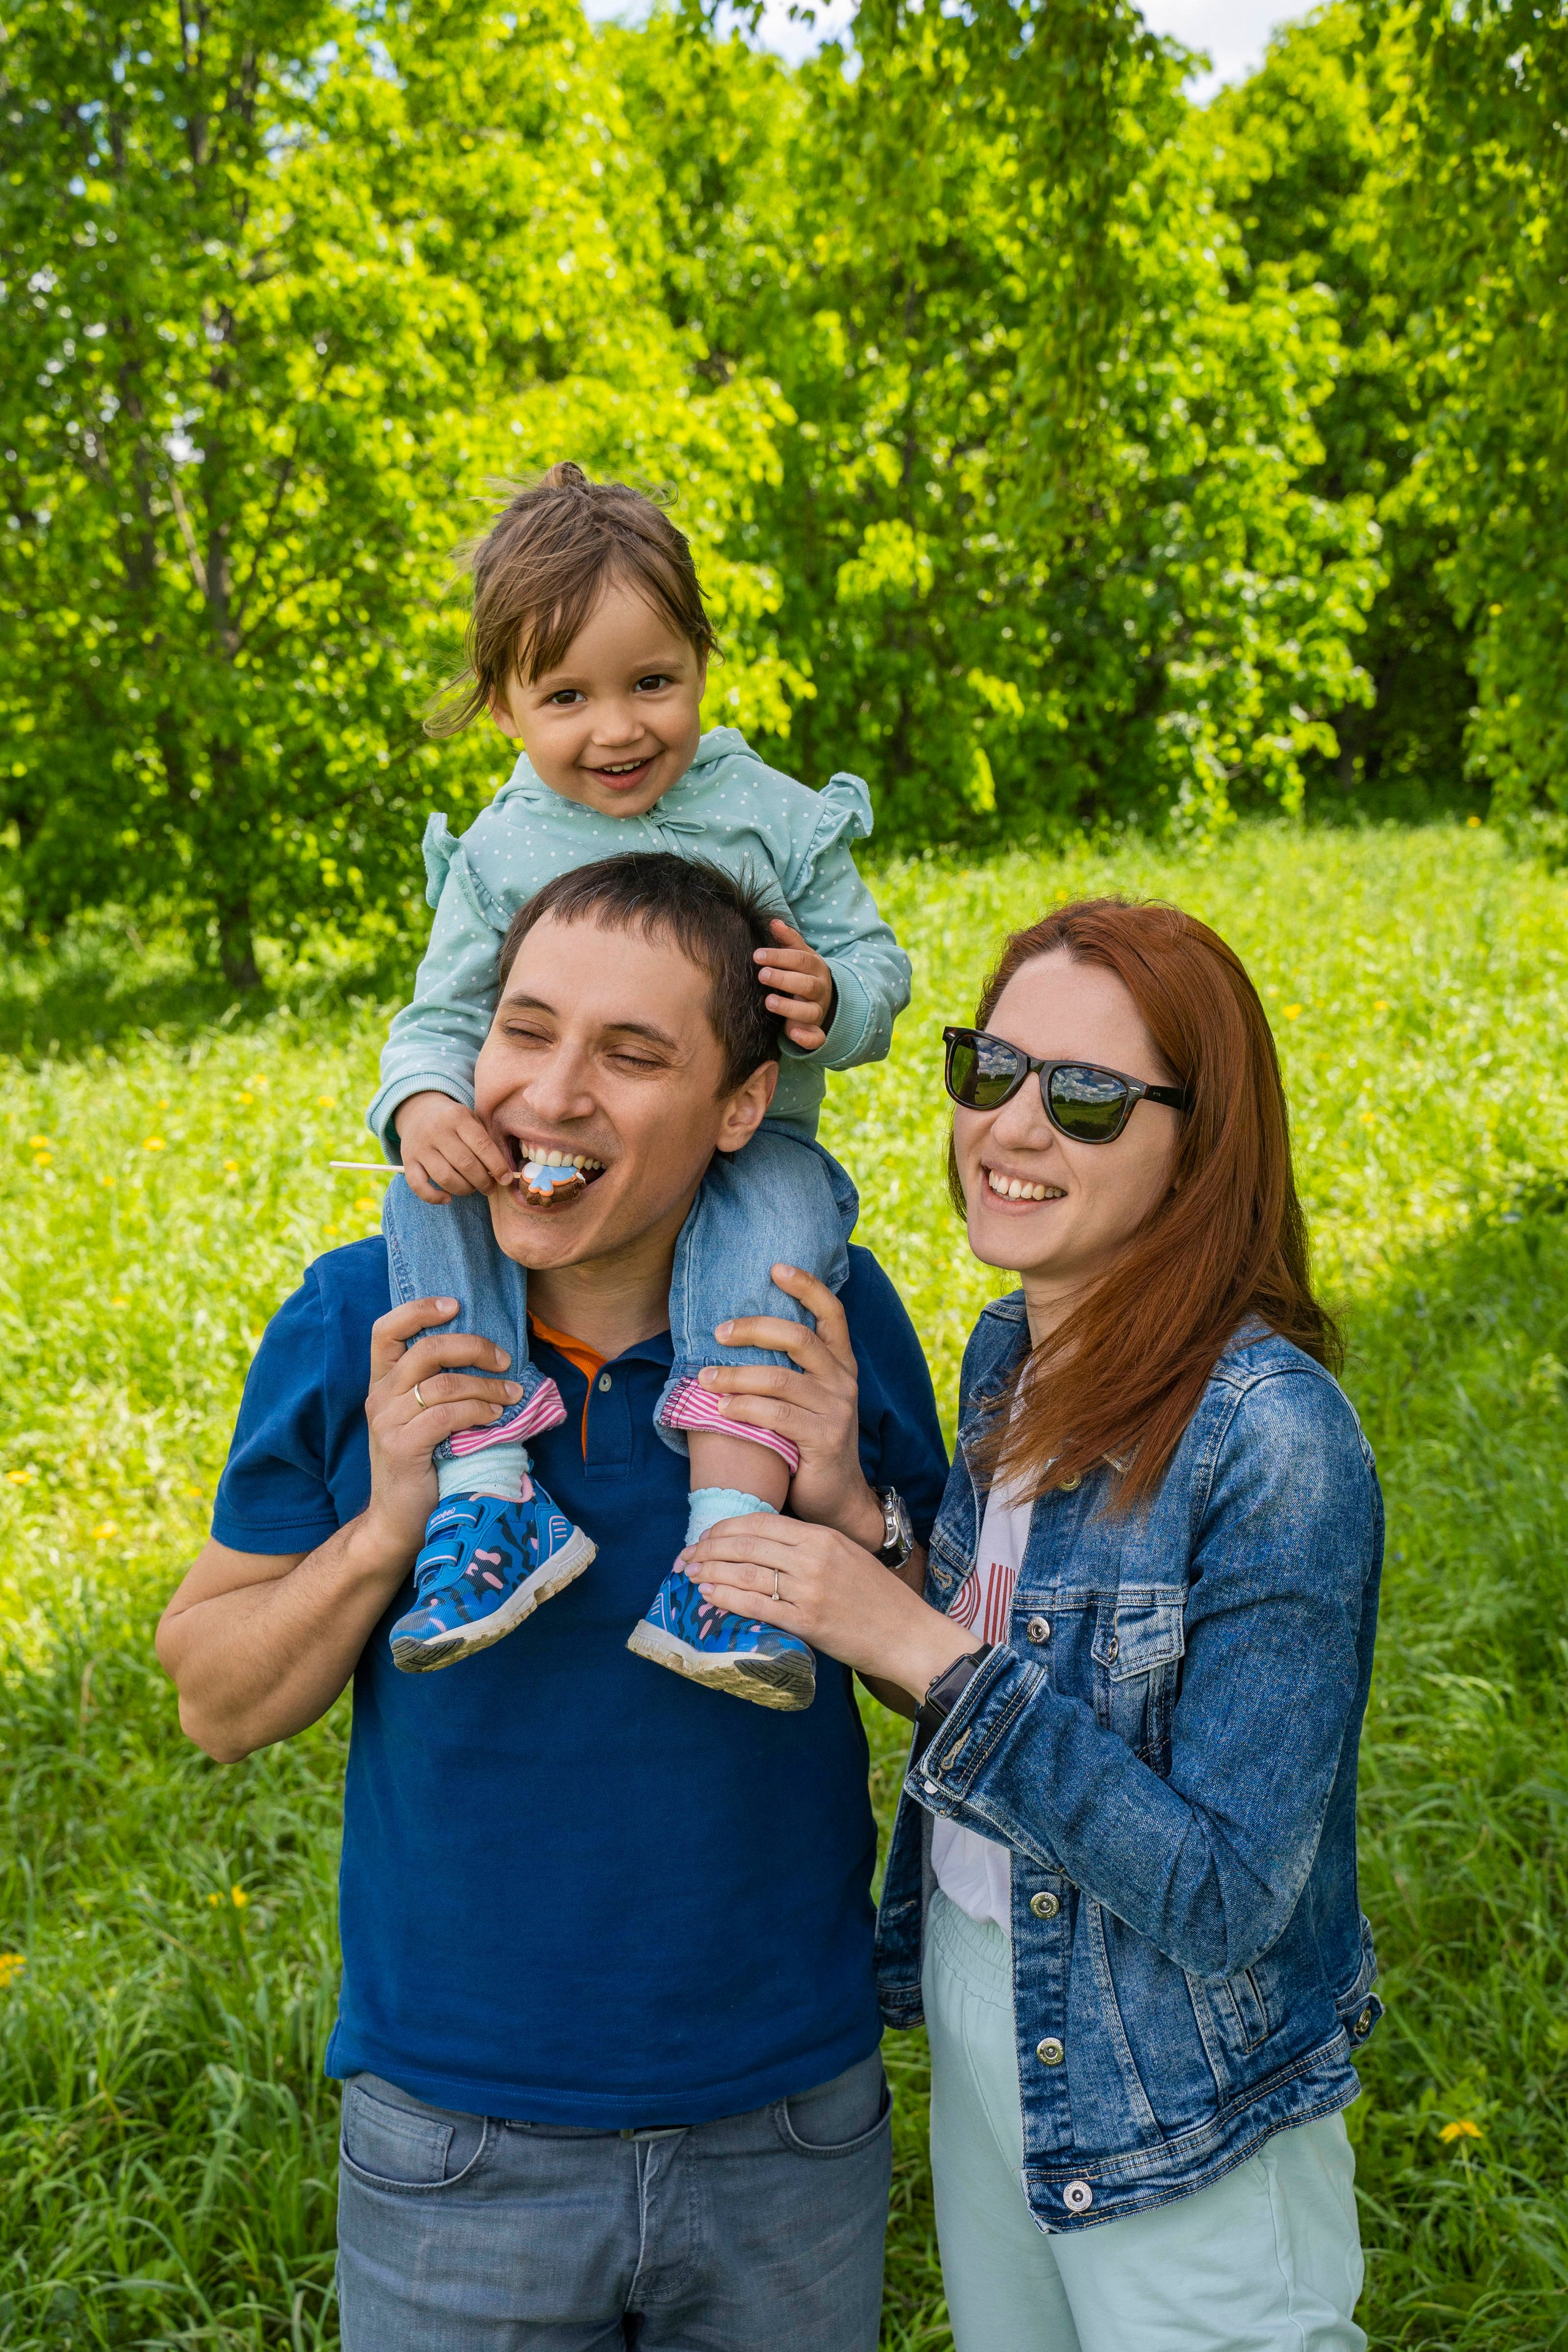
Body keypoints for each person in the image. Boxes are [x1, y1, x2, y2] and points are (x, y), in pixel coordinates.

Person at [156, 855, 947, 2351]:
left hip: (785, 2123)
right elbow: (216, 1699)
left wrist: (847, 1510)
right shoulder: (366, 1316)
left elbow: (951, 1696)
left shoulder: (818, 1316)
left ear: (738, 1109)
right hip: (456, 2141)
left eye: (631, 1053)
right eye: (524, 1032)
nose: (551, 1096)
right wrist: (393, 1516)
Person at [688, 896, 1384, 2352]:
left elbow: (1223, 1896)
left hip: (1172, 2075)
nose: (1009, 1128)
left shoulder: (1272, 1441)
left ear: (1199, 1145)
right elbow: (1006, 1660)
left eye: (1083, 1097)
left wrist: (906, 1640)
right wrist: (862, 1520)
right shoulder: (1014, 1346)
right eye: (988, 1071)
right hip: (984, 1994)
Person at [367, 462, 911, 1704]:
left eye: (651, 683)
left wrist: (834, 997)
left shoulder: (768, 818)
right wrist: (426, 1106)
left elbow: (877, 961)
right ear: (503, 709)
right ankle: (489, 1497)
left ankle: (722, 1543)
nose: (616, 731)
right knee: (425, 1194)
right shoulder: (505, 850)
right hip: (559, 1159)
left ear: (702, 665)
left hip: (747, 1136)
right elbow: (440, 1014)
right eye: (566, 696)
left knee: (776, 1238)